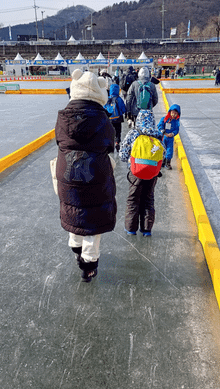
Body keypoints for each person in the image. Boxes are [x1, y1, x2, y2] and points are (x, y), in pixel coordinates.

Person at [55, 69, 117, 282]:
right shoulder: (102, 118)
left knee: (74, 209)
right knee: (93, 219)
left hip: (67, 173)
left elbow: (60, 142)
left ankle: (75, 248)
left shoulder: (63, 117)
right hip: (94, 176)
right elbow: (110, 144)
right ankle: (88, 267)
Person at [119, 110, 164, 236]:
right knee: (148, 200)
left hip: (135, 173)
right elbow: (163, 155)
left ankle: (131, 229)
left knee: (133, 200)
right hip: (152, 173)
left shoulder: (134, 133)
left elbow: (122, 154)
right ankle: (146, 230)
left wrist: (130, 160)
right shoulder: (158, 135)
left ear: (138, 119)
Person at [103, 82, 126, 151]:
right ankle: (117, 142)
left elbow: (104, 108)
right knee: (118, 132)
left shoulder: (107, 99)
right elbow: (123, 109)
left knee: (110, 132)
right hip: (118, 119)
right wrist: (122, 113)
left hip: (109, 119)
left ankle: (111, 144)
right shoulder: (119, 99)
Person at [157, 104, 181, 170]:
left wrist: (172, 134)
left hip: (170, 138)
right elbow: (160, 125)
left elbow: (177, 130)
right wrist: (163, 131)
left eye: (175, 114)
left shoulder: (176, 122)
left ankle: (168, 162)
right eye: (173, 113)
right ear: (170, 112)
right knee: (162, 149)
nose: (173, 115)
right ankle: (162, 161)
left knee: (169, 150)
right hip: (163, 137)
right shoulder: (164, 119)